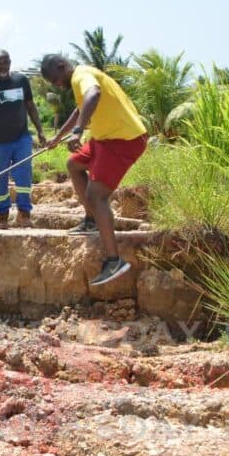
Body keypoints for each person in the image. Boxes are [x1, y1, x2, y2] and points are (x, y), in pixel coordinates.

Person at [41, 54, 148, 286]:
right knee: (74, 164)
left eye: (55, 79)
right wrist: (58, 137)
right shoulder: (81, 78)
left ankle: (114, 261)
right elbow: (80, 110)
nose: (57, 85)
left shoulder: (81, 75)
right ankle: (91, 220)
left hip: (123, 139)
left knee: (96, 195)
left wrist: (78, 132)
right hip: (105, 139)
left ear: (61, 66)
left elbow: (93, 94)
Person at [0, 50, 46, 229]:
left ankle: (24, 215)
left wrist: (40, 131)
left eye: (5, 62)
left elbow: (30, 106)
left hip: (22, 138)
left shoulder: (21, 80)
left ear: (10, 62)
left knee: (24, 176)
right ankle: (2, 217)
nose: (2, 66)